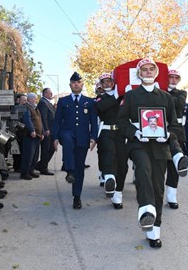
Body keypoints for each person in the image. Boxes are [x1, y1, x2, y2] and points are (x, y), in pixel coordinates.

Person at [117, 58, 183, 248]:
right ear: (139, 74)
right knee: (143, 170)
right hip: (138, 144)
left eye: (150, 69)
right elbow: (121, 122)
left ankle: (154, 231)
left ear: (155, 73)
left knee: (157, 186)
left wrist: (168, 134)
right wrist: (135, 132)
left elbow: (173, 124)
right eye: (144, 69)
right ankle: (146, 210)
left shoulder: (165, 97)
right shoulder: (130, 96)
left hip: (160, 146)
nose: (147, 72)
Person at [53, 72, 98, 210]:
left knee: (80, 168)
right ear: (70, 85)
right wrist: (55, 137)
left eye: (78, 82)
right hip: (67, 133)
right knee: (66, 138)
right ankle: (69, 170)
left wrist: (94, 137)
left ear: (82, 84)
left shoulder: (90, 102)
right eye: (73, 82)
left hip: (83, 138)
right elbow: (57, 121)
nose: (76, 84)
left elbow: (93, 122)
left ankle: (76, 196)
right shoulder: (63, 101)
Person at [94, 73, 128, 208]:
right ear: (101, 85)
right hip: (106, 131)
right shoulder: (100, 98)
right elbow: (100, 108)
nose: (107, 84)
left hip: (121, 132)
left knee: (122, 164)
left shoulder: (123, 96)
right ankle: (109, 179)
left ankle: (118, 192)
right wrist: (115, 97)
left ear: (114, 83)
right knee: (108, 155)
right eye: (104, 82)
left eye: (109, 81)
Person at [164, 68, 188, 210]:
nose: (173, 80)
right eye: (171, 77)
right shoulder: (158, 90)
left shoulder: (181, 93)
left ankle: (171, 196)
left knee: (174, 166)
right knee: (159, 164)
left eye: (176, 78)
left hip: (176, 131)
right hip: (158, 130)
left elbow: (177, 104)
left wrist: (162, 93)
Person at [19, 93, 44, 180]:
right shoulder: (26, 107)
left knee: (35, 155)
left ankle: (31, 171)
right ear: (29, 99)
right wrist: (32, 130)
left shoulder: (35, 108)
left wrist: (42, 133)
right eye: (35, 99)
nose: (36, 100)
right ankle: (24, 173)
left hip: (37, 135)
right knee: (28, 155)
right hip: (30, 135)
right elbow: (27, 120)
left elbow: (40, 121)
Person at [35, 88, 56, 175]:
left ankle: (40, 165)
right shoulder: (43, 103)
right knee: (46, 150)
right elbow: (43, 117)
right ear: (45, 93)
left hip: (51, 130)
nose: (51, 94)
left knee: (52, 148)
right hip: (47, 130)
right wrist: (46, 129)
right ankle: (43, 168)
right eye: (50, 93)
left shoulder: (47, 102)